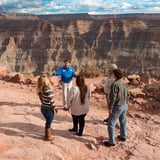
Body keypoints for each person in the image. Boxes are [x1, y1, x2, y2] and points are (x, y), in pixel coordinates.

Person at [104, 69, 130, 147]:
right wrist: (126, 103)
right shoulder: (125, 83)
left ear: (115, 75)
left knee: (111, 123)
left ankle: (111, 142)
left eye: (113, 74)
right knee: (123, 121)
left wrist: (110, 108)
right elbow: (128, 95)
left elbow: (112, 98)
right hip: (124, 105)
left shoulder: (115, 84)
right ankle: (123, 136)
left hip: (118, 106)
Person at [36, 75, 56, 141]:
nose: (48, 80)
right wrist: (55, 108)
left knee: (48, 121)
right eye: (47, 79)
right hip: (48, 109)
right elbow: (51, 100)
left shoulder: (41, 90)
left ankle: (47, 135)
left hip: (43, 108)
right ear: (45, 82)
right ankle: (48, 137)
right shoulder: (48, 90)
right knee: (48, 122)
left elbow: (42, 100)